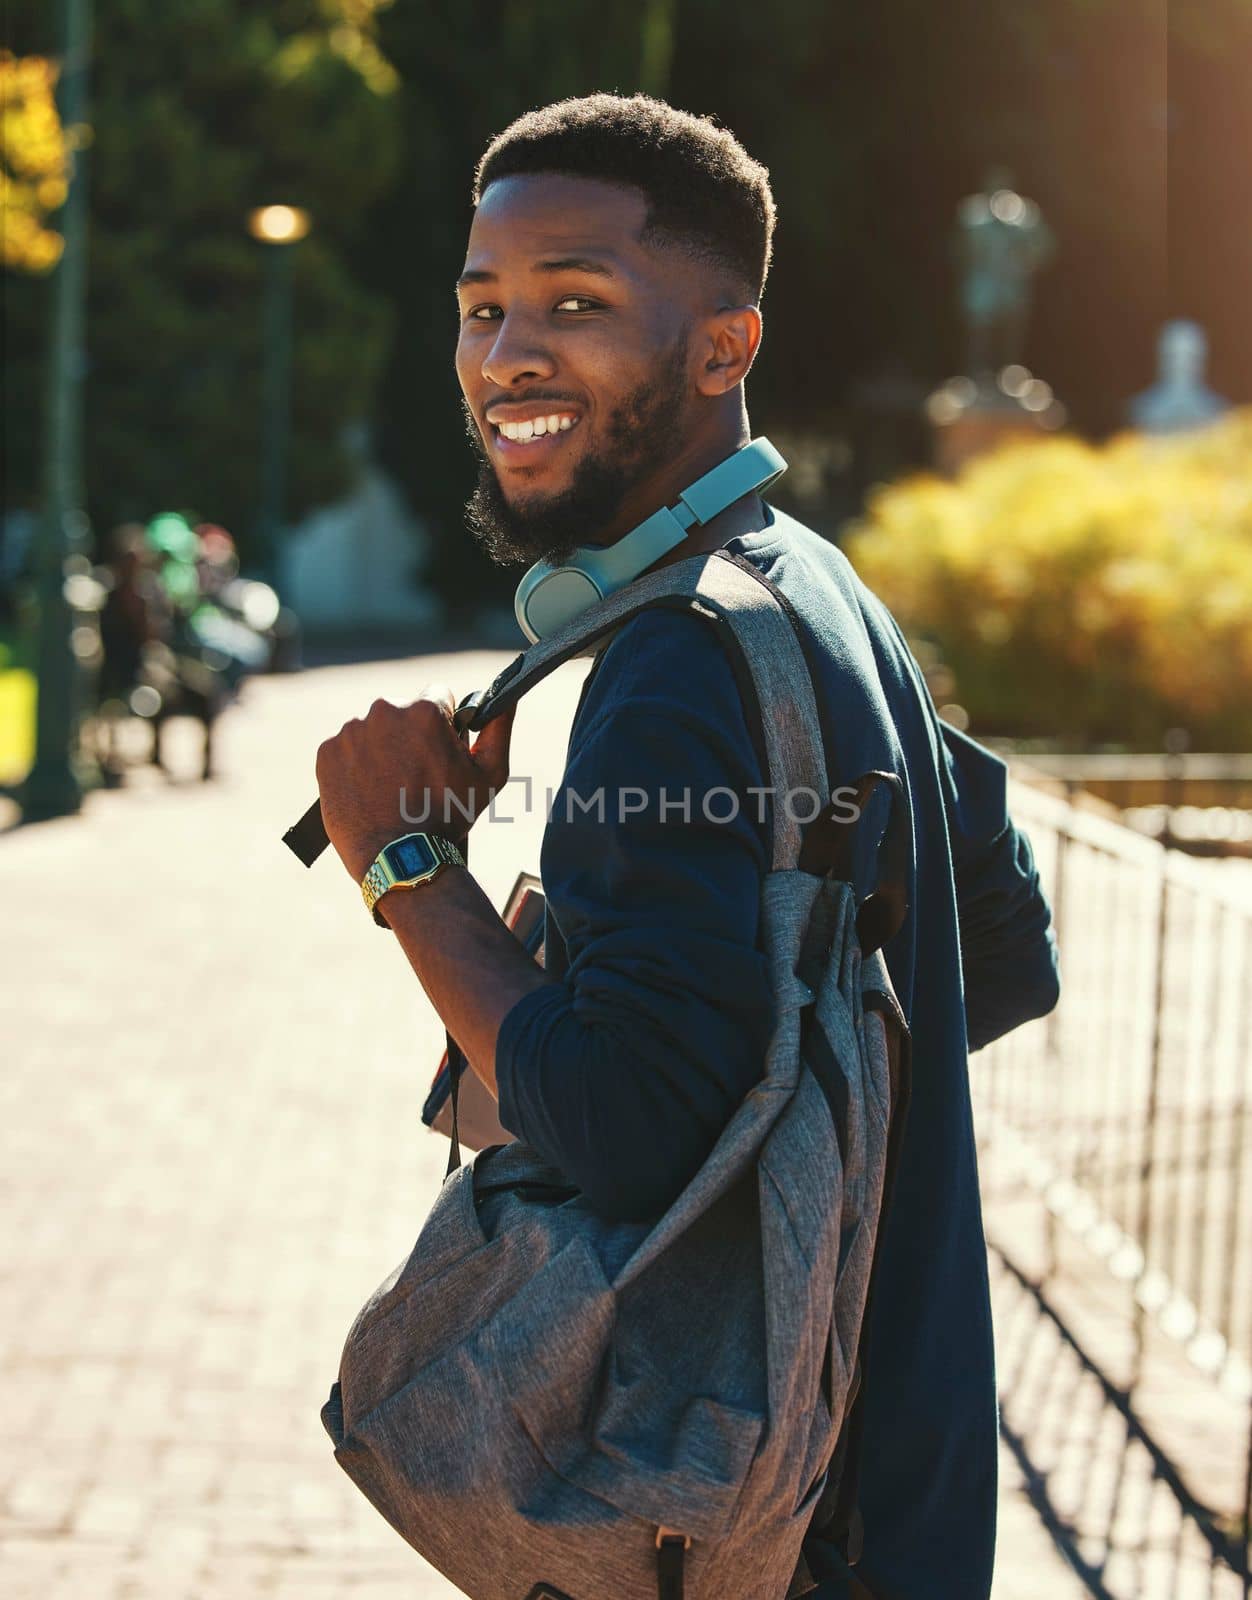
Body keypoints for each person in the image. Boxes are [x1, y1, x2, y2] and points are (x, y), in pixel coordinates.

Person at [314, 93, 1060, 1600]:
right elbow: (1001, 946)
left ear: (727, 346)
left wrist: (407, 865)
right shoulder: (812, 583)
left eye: (576, 302)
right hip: (889, 1475)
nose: (509, 353)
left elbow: (631, 1128)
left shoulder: (676, 659)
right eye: (482, 309)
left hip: (749, 1511)